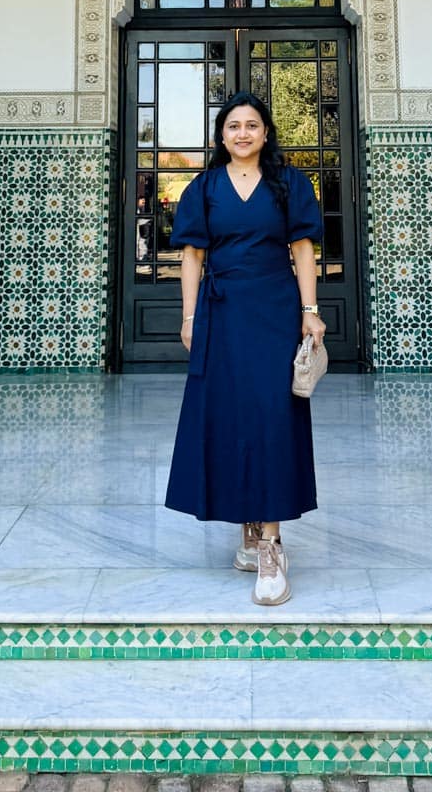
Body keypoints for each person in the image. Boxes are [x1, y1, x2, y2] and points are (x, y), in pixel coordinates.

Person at [164, 90, 326, 607]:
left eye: (251, 125)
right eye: (233, 125)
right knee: (231, 419)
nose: (242, 133)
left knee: (273, 418)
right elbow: (192, 257)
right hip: (222, 312)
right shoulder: (204, 186)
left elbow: (303, 250)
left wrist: (309, 310)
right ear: (221, 135)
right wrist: (190, 318)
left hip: (276, 311)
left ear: (265, 132)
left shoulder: (289, 183)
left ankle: (273, 545)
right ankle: (249, 529)